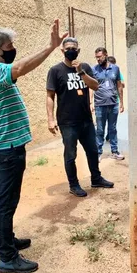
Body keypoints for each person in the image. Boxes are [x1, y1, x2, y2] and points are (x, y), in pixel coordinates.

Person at [0, 19, 67, 273]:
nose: (13, 48)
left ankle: (4, 241)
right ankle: (7, 256)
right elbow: (22, 67)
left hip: (2, 144)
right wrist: (50, 48)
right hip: (7, 147)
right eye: (9, 45)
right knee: (6, 200)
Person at [46, 38, 114, 197]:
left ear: (78, 51)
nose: (71, 50)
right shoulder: (55, 71)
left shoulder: (85, 68)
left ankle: (96, 178)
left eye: (74, 48)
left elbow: (95, 86)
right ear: (62, 51)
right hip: (67, 122)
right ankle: (73, 184)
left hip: (86, 120)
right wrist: (50, 119)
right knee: (70, 154)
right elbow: (50, 95)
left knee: (92, 150)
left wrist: (81, 72)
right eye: (68, 48)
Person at [91, 48, 125, 161]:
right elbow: (91, 87)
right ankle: (98, 152)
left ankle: (115, 151)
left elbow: (119, 86)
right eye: (96, 57)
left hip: (113, 104)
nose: (98, 59)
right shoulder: (94, 69)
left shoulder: (115, 68)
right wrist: (90, 102)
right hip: (100, 104)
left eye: (100, 56)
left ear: (106, 55)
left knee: (113, 129)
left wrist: (121, 102)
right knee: (100, 129)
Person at [105, 56, 124, 143]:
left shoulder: (116, 71)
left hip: (114, 100)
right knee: (104, 123)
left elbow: (122, 84)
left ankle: (110, 137)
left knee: (112, 123)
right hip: (103, 101)